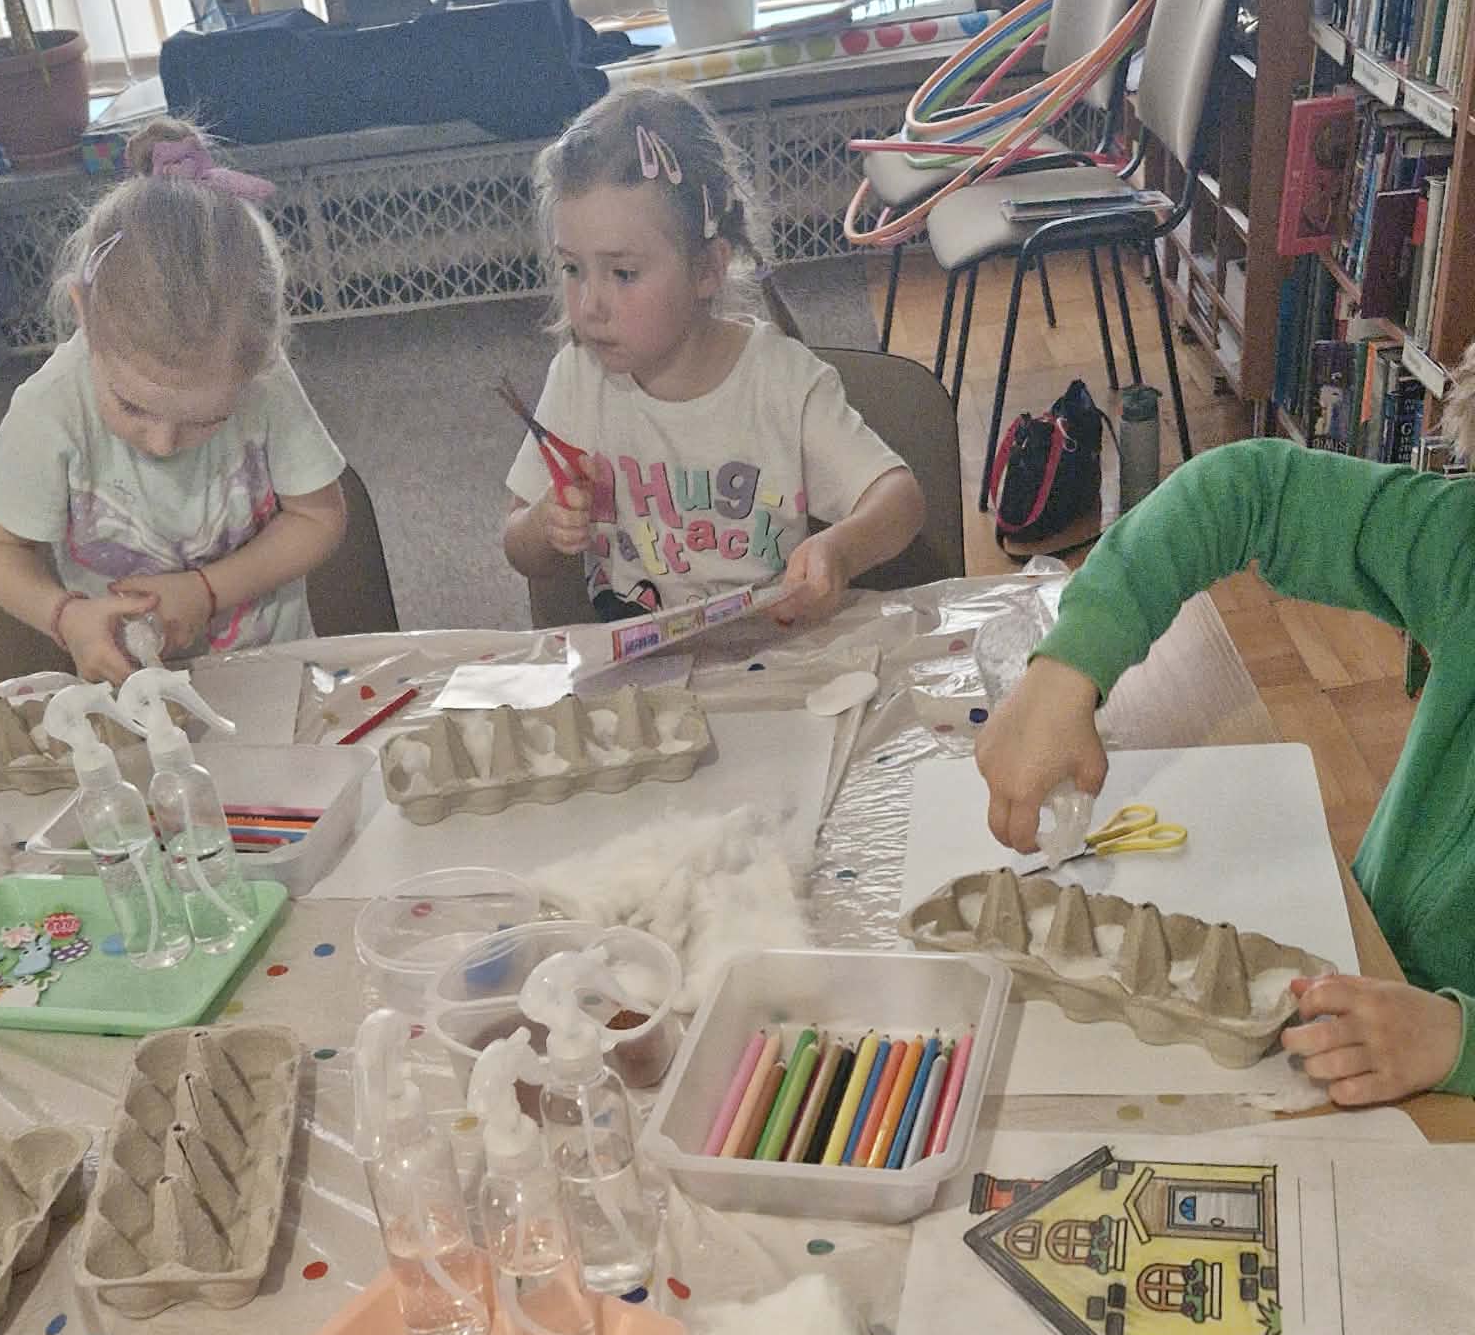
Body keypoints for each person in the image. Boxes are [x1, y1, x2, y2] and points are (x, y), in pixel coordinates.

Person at [974, 424, 1475, 1105]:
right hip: (1367, 948)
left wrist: (1456, 1040)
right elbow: (1251, 491)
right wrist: (1068, 666)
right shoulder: (1459, 546)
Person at [502, 85, 924, 624]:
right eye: (572, 268)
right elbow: (519, 546)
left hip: (772, 652)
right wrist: (544, 525)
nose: (589, 304)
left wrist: (840, 550)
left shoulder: (782, 382)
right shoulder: (577, 378)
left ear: (707, 269)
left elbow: (900, 500)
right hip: (639, 662)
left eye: (623, 273)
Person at [0, 117, 347, 685]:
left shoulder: (259, 376)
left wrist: (209, 589)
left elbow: (319, 516)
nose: (164, 443)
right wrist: (66, 616)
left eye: (207, 420)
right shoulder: (50, 408)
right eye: (133, 407)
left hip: (272, 672)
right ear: (83, 312)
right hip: (130, 689)